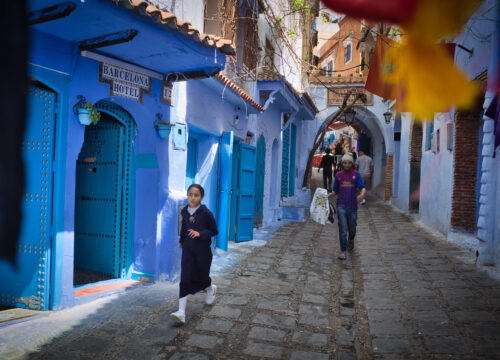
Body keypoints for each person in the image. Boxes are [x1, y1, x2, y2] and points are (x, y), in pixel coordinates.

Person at [171, 184, 218, 324]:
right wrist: (181, 241)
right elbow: (184, 227)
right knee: (185, 278)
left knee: (201, 277)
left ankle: (210, 287)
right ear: (187, 195)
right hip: (188, 250)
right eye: (190, 194)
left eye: (196, 195)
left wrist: (200, 233)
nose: (192, 197)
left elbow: (214, 230)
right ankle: (181, 312)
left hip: (203, 251)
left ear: (201, 197)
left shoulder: (206, 213)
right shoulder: (185, 211)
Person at [328, 154, 366, 260]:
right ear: (342, 163)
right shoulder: (338, 175)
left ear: (352, 164)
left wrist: (362, 194)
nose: (347, 165)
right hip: (341, 206)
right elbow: (335, 191)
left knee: (352, 228)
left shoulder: (356, 174)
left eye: (349, 163)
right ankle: (343, 251)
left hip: (353, 206)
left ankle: (351, 240)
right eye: (345, 163)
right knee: (343, 229)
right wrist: (325, 196)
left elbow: (362, 187)